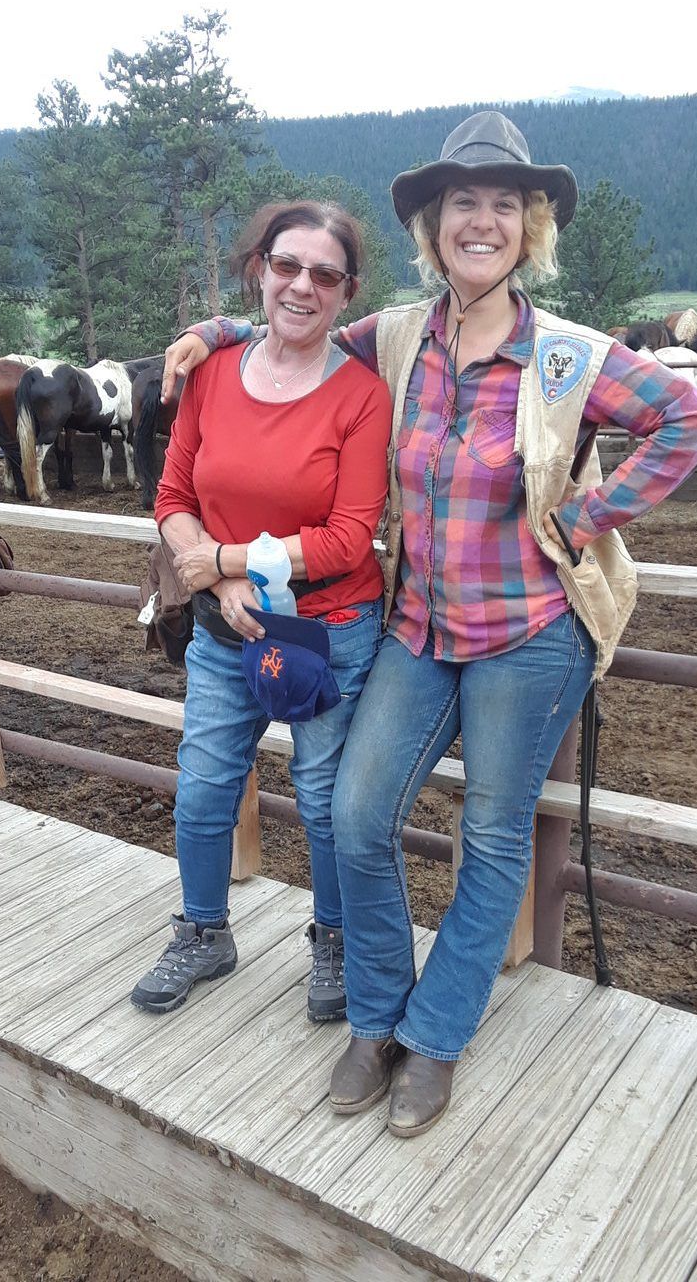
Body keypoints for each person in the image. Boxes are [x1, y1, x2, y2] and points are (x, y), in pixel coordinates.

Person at [162, 112, 697, 1134]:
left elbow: (692, 420)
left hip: (531, 635)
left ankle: (434, 1035)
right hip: (417, 630)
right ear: (433, 223)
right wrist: (216, 332)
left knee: (494, 838)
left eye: (505, 204)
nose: (482, 220)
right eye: (463, 201)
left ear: (530, 226)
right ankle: (376, 1016)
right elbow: (295, 326)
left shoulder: (566, 356)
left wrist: (586, 518)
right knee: (357, 818)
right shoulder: (398, 336)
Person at [131, 200, 392, 1022]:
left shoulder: (362, 396)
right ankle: (203, 930)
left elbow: (347, 540)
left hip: (328, 628)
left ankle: (335, 939)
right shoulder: (212, 372)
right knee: (206, 783)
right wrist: (217, 583)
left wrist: (227, 561)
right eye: (287, 266)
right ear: (260, 270)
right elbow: (172, 498)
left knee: (323, 795)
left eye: (325, 274)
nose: (302, 286)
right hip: (224, 628)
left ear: (346, 293)